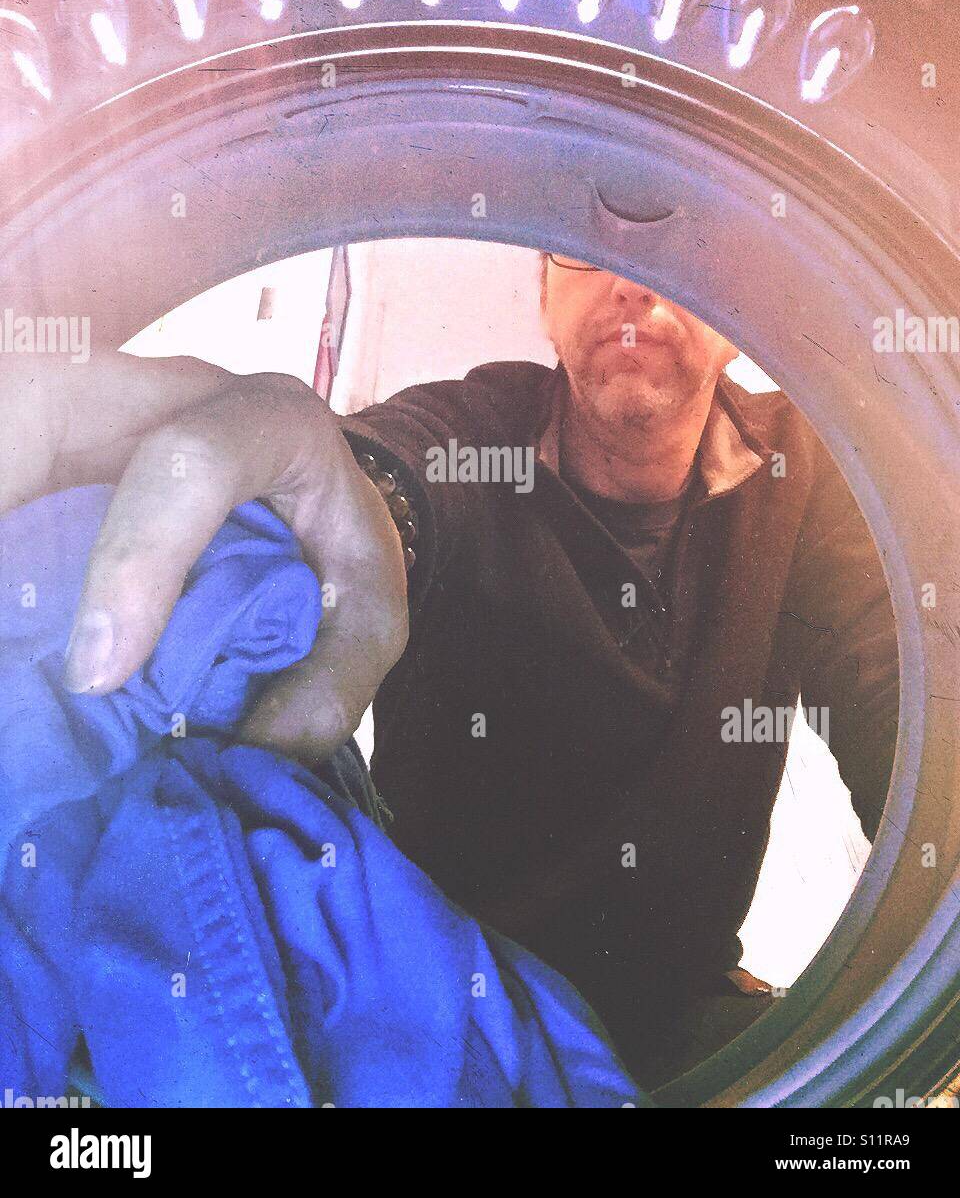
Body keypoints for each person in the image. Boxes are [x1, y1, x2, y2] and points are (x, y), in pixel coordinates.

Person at [0, 250, 899, 1087]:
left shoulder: (812, 474)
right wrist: (311, 523)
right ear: (543, 295)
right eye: (587, 248)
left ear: (743, 309)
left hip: (688, 1010)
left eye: (686, 243)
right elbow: (389, 484)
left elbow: (900, 690)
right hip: (437, 1003)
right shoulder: (474, 432)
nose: (634, 281)